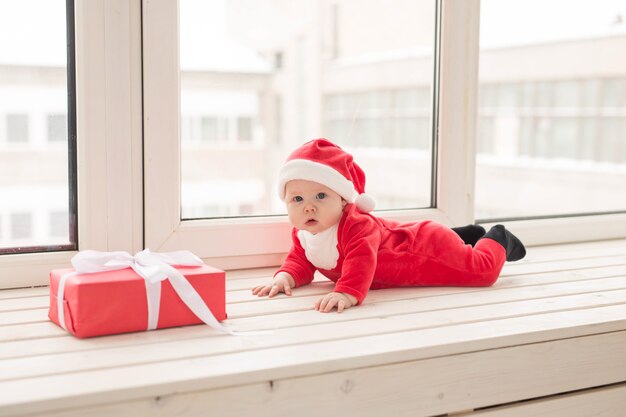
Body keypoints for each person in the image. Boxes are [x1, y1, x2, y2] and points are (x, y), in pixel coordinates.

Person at [252, 139, 526, 313]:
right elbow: (301, 261)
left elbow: (361, 261)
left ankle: (497, 237)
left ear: (344, 199)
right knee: (458, 251)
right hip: (416, 241)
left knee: (483, 272)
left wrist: (347, 293)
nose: (308, 207)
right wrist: (284, 278)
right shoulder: (305, 233)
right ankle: (467, 236)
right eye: (297, 199)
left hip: (426, 247)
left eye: (321, 196)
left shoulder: (356, 226)